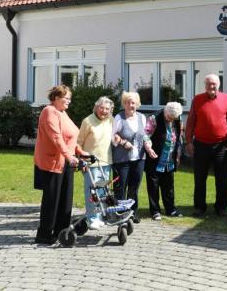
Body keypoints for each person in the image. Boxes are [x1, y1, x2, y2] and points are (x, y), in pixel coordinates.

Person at [33, 85, 81, 245]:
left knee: (65, 199)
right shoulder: (49, 111)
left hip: (67, 160)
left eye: (69, 99)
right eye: (65, 98)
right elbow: (56, 137)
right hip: (53, 161)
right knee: (52, 199)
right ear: (55, 98)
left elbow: (71, 136)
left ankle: (61, 231)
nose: (68, 101)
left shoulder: (62, 112)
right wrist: (69, 156)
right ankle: (45, 234)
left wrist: (80, 152)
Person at [185, 74, 227, 217]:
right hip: (201, 145)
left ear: (219, 85)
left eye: (214, 84)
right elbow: (190, 121)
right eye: (209, 84)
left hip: (221, 145)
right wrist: (189, 141)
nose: (211, 86)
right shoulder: (197, 100)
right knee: (200, 178)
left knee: (222, 179)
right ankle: (199, 207)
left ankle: (221, 207)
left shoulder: (226, 99)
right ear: (205, 85)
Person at [112, 91, 152, 223]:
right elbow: (112, 137)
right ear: (124, 104)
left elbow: (145, 135)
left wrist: (149, 146)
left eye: (133, 102)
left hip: (139, 158)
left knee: (134, 187)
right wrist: (123, 142)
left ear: (137, 104)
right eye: (128, 102)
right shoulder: (119, 117)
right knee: (121, 187)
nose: (130, 105)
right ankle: (120, 213)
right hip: (122, 159)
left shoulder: (141, 117)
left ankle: (133, 213)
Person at [76, 96, 115, 230]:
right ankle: (92, 218)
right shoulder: (87, 121)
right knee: (92, 192)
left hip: (106, 161)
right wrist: (81, 159)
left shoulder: (111, 120)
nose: (104, 111)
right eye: (101, 108)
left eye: (107, 109)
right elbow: (78, 143)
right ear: (96, 107)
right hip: (90, 163)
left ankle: (101, 217)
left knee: (103, 192)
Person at [144, 102, 185, 220]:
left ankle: (171, 209)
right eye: (169, 117)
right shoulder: (154, 118)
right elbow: (146, 135)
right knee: (153, 185)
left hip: (170, 159)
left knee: (169, 186)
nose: (171, 120)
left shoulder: (178, 118)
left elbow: (179, 137)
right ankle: (155, 211)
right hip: (155, 158)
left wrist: (178, 154)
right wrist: (149, 149)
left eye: (173, 118)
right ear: (165, 111)